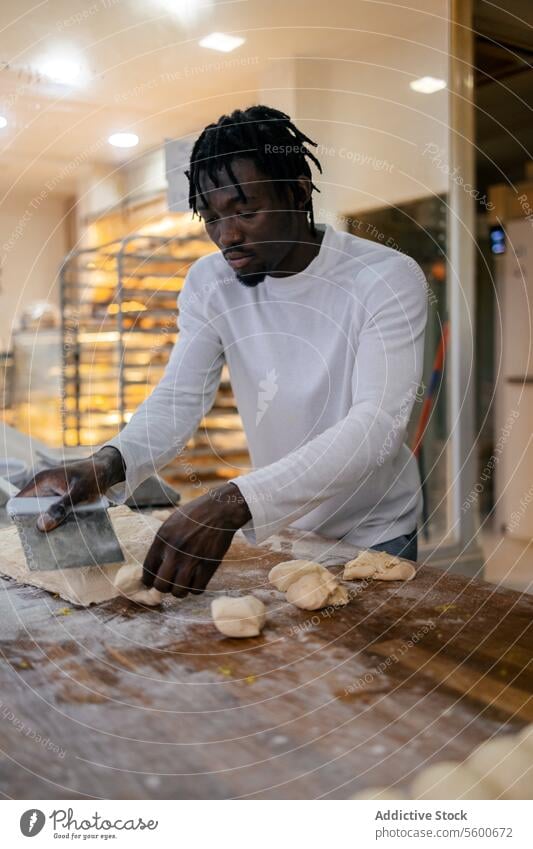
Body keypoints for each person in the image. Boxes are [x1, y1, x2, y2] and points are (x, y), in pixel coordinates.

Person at [19, 104, 427, 597]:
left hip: (375, 533)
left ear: (297, 193)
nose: (226, 237)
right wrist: (107, 464)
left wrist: (234, 501)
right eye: (211, 218)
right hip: (285, 528)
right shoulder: (211, 282)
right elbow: (178, 399)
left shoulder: (384, 278)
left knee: (376, 669)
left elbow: (376, 428)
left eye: (245, 211)